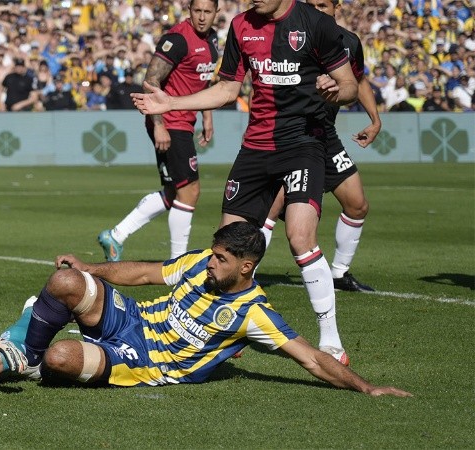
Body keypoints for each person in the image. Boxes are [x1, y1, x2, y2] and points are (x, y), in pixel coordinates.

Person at [132, 0, 359, 364]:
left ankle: (331, 341)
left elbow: (350, 87)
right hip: (256, 147)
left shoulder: (317, 25)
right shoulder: (240, 25)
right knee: (227, 247)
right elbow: (226, 90)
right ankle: (226, 330)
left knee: (300, 237)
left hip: (304, 143)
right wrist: (170, 104)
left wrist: (334, 88)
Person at [21, 221, 412, 398]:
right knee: (67, 281)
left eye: (221, 259)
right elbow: (143, 274)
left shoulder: (254, 312)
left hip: (147, 360)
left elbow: (310, 358)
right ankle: (28, 359)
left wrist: (366, 386)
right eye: (213, 254)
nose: (211, 263)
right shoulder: (198, 262)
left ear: (245, 267)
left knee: (63, 356)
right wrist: (91, 269)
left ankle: (42, 357)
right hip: (134, 319)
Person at [260, 0, 383, 293]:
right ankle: (241, 275)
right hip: (291, 133)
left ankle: (339, 273)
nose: (318, 10)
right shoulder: (290, 34)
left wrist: (375, 120)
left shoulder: (349, 42)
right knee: (270, 208)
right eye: (312, 4)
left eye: (324, 5)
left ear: (336, 6)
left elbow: (359, 80)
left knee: (357, 204)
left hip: (324, 134)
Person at [97, 0, 220, 262]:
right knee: (190, 191)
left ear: (216, 13)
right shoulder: (177, 39)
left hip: (185, 120)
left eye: (207, 12)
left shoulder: (213, 40)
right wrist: (159, 124)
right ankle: (179, 263)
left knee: (173, 192)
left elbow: (205, 80)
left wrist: (207, 117)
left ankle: (116, 235)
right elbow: (151, 81)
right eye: (197, 11)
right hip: (170, 121)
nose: (201, 17)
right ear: (189, 10)